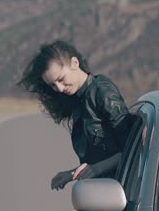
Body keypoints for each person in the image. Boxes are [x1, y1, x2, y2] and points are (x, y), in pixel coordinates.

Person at [17, 40, 134, 191]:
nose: (59, 88)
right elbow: (101, 156)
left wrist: (97, 169)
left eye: (61, 79)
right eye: (53, 85)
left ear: (75, 63)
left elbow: (132, 149)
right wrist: (72, 174)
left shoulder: (102, 92)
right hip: (102, 191)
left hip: (121, 194)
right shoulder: (78, 99)